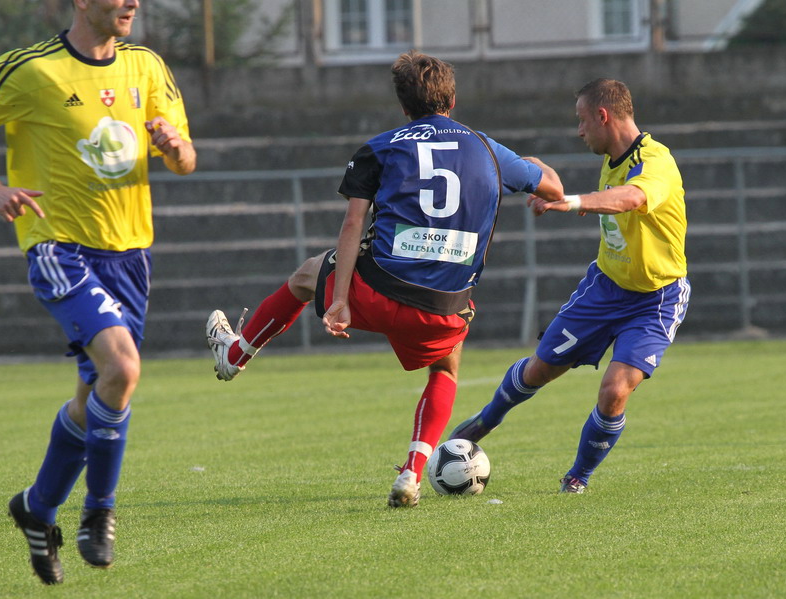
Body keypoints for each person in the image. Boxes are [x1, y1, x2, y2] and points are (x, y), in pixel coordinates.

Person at [205, 50, 564, 509]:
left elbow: (352, 226)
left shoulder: (381, 146)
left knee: (303, 277)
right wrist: (527, 164)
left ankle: (235, 354)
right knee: (446, 369)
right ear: (452, 100)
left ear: (403, 106)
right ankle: (413, 473)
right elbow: (551, 187)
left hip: (377, 292)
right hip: (445, 309)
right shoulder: (487, 148)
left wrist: (339, 300)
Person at [0, 0, 195, 585]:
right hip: (59, 247)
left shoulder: (148, 66)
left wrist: (175, 148)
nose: (132, 3)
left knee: (95, 394)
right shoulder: (29, 69)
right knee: (123, 370)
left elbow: (185, 158)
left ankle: (37, 506)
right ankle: (99, 512)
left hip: (130, 253)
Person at [450, 78, 690, 494]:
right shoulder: (615, 155)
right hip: (605, 288)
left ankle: (577, 478)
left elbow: (631, 198)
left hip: (657, 299)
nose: (579, 131)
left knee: (615, 390)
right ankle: (483, 422)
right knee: (541, 368)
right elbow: (567, 180)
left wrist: (574, 202)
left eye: (582, 121)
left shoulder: (656, 161)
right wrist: (525, 167)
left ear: (603, 116)